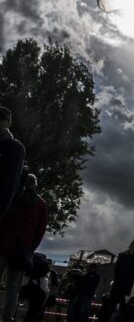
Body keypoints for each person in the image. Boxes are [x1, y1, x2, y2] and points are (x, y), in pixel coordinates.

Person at [0, 174, 48, 322]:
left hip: (3, 245)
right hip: (22, 250)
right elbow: (40, 231)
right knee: (13, 288)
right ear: (35, 185)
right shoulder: (41, 204)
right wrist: (30, 248)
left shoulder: (12, 197)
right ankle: (7, 318)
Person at [109, 238, 134, 322]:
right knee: (126, 313)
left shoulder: (122, 255)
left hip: (119, 287)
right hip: (130, 289)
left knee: (116, 311)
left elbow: (116, 272)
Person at [0, 106, 25, 220]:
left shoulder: (14, 148)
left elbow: (10, 186)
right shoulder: (15, 148)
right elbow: (10, 186)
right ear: (8, 121)